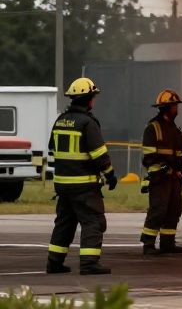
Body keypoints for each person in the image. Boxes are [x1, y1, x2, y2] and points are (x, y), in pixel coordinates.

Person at [46, 77, 117, 276]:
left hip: (62, 185)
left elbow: (52, 148)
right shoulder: (88, 123)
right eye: (93, 96)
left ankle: (54, 262)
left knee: (64, 223)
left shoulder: (60, 120)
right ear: (88, 99)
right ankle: (89, 264)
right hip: (84, 186)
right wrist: (110, 175)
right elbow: (99, 155)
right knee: (93, 221)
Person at [140, 89, 182, 255]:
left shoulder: (172, 128)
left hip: (173, 177)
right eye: (175, 106)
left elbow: (179, 144)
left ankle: (167, 243)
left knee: (174, 210)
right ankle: (148, 244)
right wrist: (167, 165)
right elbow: (149, 155)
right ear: (167, 107)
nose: (177, 109)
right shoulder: (153, 128)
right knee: (158, 210)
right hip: (159, 177)